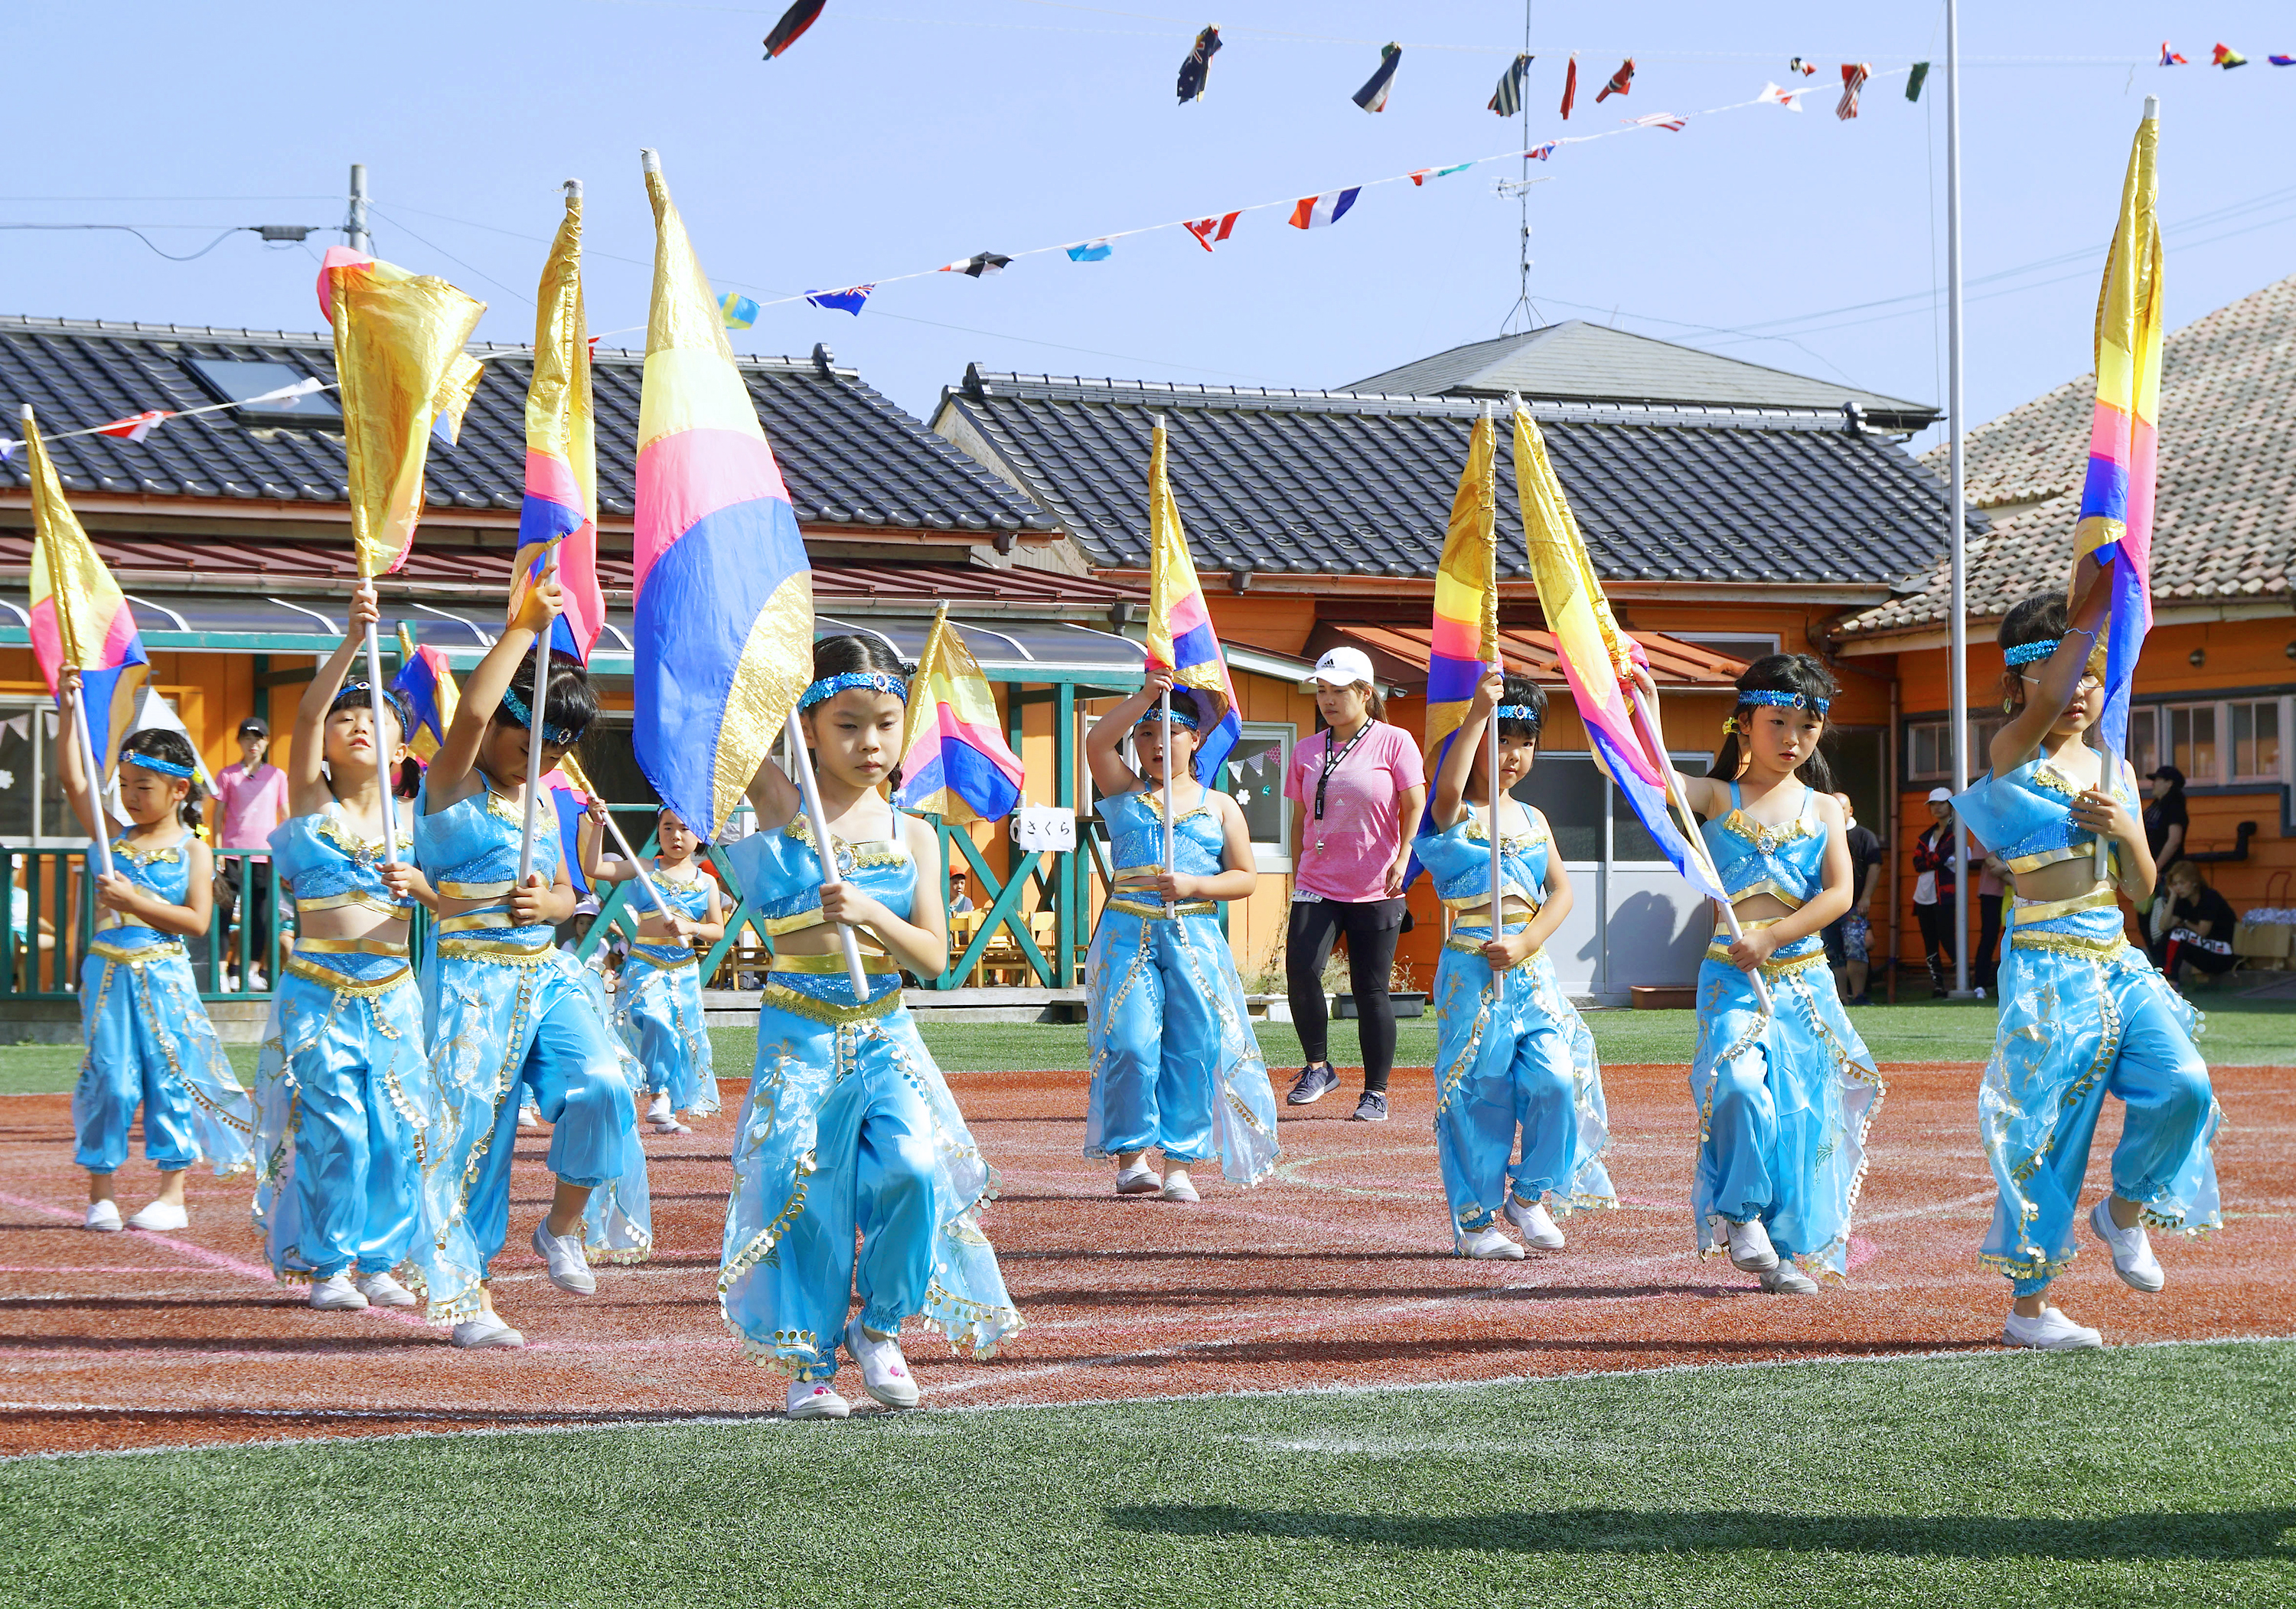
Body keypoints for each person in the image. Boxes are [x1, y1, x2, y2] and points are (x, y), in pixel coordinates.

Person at [719, 635, 1022, 1420]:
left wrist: (869, 909)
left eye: (885, 723)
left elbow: (930, 957)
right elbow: (725, 725)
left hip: (886, 1027)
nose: (871, 743)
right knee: (806, 1190)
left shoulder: (914, 829)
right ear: (809, 726)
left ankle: (879, 1325)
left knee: (915, 1168)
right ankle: (809, 1363)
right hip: (799, 1028)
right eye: (848, 724)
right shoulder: (785, 807)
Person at [1955, 586, 2221, 1351]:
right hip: (2043, 963)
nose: (2077, 691)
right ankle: (2029, 1310)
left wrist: (2126, 828)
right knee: (2047, 1130)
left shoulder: (2114, 764)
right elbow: (2039, 709)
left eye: (2091, 676)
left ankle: (2124, 1212)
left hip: (2115, 953)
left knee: (2185, 1083)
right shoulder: (2011, 752)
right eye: (2060, 676)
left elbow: (2141, 888)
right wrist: (2090, 613)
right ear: (2019, 685)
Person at [410, 582, 651, 1350]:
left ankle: (562, 1226)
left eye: (559, 746)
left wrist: (554, 906)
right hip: (471, 982)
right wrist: (525, 627)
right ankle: (466, 1291)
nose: (543, 756)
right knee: (474, 1137)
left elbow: (563, 892)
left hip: (546, 974)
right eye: (533, 739)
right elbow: (474, 713)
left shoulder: (549, 801)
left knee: (606, 1085)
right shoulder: (449, 779)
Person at [1629, 654, 1883, 1297]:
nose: (1793, 739)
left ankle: (1792, 1250)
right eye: (1777, 722)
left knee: (1803, 1116)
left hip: (1804, 981)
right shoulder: (1718, 797)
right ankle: (1742, 1214)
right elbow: (1647, 774)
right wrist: (1646, 705)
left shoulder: (1826, 808)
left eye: (1808, 725)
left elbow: (1839, 895)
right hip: (1731, 979)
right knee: (1740, 1088)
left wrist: (1774, 935)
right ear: (1743, 724)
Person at [248, 585, 437, 1310]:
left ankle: (380, 1260)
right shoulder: (311, 802)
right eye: (346, 718)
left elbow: (455, 908)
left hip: (391, 989)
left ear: (401, 742)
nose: (359, 726)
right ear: (326, 741)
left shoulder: (418, 821)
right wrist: (355, 642)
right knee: (336, 1127)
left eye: (377, 718)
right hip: (319, 989)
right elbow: (299, 713)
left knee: (393, 1129)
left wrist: (419, 883)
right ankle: (327, 1264)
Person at [1414, 670, 1613, 1259]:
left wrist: (1527, 943)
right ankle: (1474, 1221)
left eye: (1524, 740)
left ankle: (1528, 1195)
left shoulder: (1533, 819)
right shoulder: (1450, 812)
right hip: (1470, 971)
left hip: (1531, 970)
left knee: (1555, 1078)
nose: (1511, 754)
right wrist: (1478, 711)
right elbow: (1447, 790)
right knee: (1480, 1091)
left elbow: (1562, 893)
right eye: (1500, 739)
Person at [56, 677, 254, 1231]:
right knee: (111, 1079)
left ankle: (172, 1195)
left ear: (178, 790)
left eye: (143, 785)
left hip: (164, 970)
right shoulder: (110, 836)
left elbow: (196, 921)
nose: (130, 796)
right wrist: (71, 708)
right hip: (108, 971)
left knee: (170, 1076)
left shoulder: (194, 850)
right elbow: (73, 777)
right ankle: (102, 1192)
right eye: (124, 784)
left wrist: (133, 900)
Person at [1080, 674, 1281, 1203]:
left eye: (1169, 732)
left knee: (1192, 1047)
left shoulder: (1220, 805)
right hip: (1128, 931)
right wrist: (1147, 696)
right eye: (1145, 734)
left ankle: (1180, 1165)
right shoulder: (1124, 792)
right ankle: (1130, 1159)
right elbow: (1097, 742)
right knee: (1129, 1041)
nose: (1154, 744)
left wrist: (1195, 883)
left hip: (1194, 934)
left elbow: (1245, 877)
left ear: (1195, 739)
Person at [1283, 646, 1427, 1122]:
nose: (1327, 700)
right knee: (1302, 969)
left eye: (1338, 691)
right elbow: (1300, 817)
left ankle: (1376, 1092)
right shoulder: (1306, 750)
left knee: (1371, 989)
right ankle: (1318, 1067)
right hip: (1316, 881)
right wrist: (1294, 868)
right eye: (1322, 691)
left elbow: (1414, 806)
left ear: (1366, 693)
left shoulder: (1395, 741)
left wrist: (1404, 856)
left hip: (1378, 882)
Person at [583, 804, 724, 1135]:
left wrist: (692, 928)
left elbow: (717, 929)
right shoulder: (645, 868)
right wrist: (598, 825)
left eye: (684, 829)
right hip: (646, 963)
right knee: (655, 1019)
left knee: (677, 1034)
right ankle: (657, 1094)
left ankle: (667, 1104)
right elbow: (595, 868)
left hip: (684, 970)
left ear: (699, 835)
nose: (675, 835)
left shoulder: (706, 883)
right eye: (667, 828)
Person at [211, 715, 289, 991]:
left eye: (258, 738)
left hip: (264, 857)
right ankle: (222, 972)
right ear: (239, 742)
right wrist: (218, 850)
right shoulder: (227, 775)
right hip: (231, 855)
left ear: (266, 742)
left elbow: (285, 814)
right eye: (247, 737)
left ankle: (249, 971)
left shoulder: (277, 776)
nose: (252, 743)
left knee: (262, 916)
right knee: (223, 913)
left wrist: (286, 851)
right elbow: (218, 814)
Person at [1821, 791, 1882, 1007]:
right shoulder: (1823, 835)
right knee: (1833, 954)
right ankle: (1840, 998)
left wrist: (1866, 897)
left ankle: (1859, 996)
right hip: (1827, 905)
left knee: (1856, 950)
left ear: (1850, 811)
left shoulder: (1864, 836)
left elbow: (1875, 867)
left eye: (1842, 809)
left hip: (1855, 905)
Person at [1910, 788, 1960, 997]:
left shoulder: (1956, 833)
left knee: (1948, 938)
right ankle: (1938, 986)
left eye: (1941, 803)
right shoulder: (1926, 835)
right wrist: (1937, 860)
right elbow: (1917, 863)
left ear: (1951, 805)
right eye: (1933, 804)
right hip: (1923, 895)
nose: (1937, 807)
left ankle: (1962, 981)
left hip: (1945, 894)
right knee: (1929, 941)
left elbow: (1937, 857)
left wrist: (1933, 860)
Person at [2157, 861, 2239, 990]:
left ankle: (2171, 982)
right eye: (2175, 884)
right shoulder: (2183, 902)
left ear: (2194, 882)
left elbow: (2202, 932)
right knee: (2168, 935)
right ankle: (2166, 978)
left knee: (2178, 934)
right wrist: (2172, 898)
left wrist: (2185, 923)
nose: (2178, 888)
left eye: (2182, 883)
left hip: (2224, 953)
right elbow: (2163, 926)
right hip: (2205, 950)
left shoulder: (2210, 898)